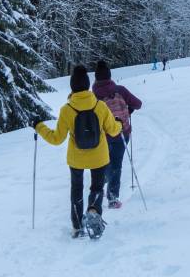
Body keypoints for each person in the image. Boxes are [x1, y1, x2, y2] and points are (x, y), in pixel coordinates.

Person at [34, 65, 122, 239]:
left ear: (72, 87)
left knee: (76, 190)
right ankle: (93, 211)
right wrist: (118, 122)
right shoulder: (100, 106)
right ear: (88, 85)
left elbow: (56, 138)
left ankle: (76, 227)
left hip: (76, 159)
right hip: (99, 157)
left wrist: (39, 126)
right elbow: (113, 130)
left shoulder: (67, 110)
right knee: (97, 187)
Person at [92, 60, 142, 209]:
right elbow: (138, 104)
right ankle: (113, 198)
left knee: (106, 161)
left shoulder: (93, 96)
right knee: (117, 164)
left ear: (96, 79)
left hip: (103, 135)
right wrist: (129, 109)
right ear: (109, 76)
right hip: (122, 132)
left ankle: (107, 179)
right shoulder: (120, 90)